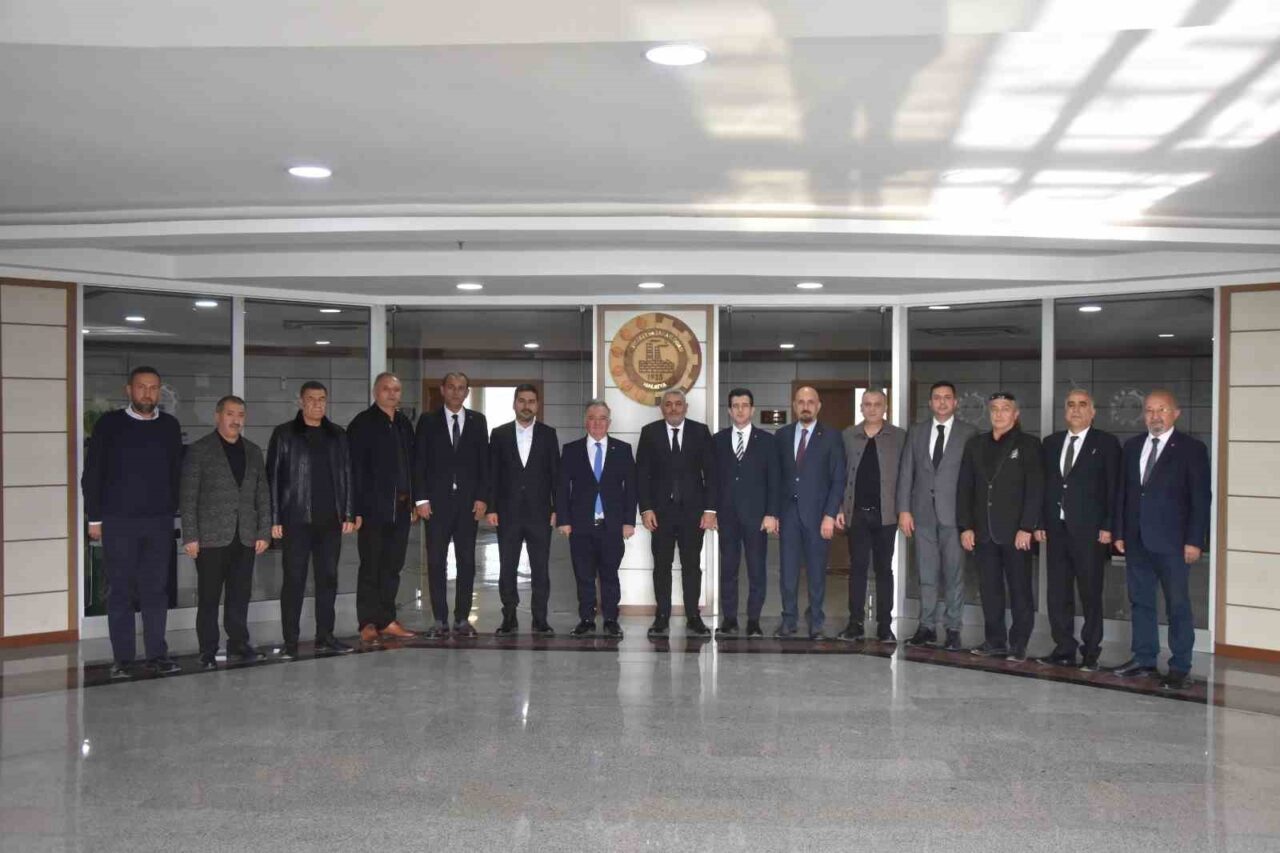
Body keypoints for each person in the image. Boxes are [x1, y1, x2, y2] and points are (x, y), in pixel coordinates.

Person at [81, 366, 184, 679]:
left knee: (156, 591)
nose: (147, 393)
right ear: (129, 390)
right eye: (141, 387)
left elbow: (177, 472)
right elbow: (93, 473)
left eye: (153, 388)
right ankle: (123, 659)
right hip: (118, 521)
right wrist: (94, 518)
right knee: (121, 591)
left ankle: (157, 655)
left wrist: (173, 511)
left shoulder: (169, 426)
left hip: (158, 522)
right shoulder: (109, 424)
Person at [1112, 389, 1211, 691]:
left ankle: (1180, 666)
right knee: (1140, 601)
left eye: (1162, 410)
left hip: (1174, 543)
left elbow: (1200, 498)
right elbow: (1123, 493)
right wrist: (1119, 532)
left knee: (1177, 604)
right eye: (1150, 410)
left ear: (1175, 413)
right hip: (1136, 539)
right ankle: (1144, 659)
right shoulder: (1132, 447)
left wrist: (1195, 540)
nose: (1155, 416)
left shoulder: (1191, 449)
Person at [180, 395, 271, 669]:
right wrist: (190, 536)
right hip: (210, 537)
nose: (236, 420)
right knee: (209, 597)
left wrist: (263, 532)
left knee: (240, 594)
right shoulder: (200, 450)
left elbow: (262, 494)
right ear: (218, 416)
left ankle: (238, 643)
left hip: (245, 536)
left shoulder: (253, 451)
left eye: (240, 414)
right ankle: (207, 650)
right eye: (230, 414)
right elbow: (188, 496)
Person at [267, 381, 357, 659]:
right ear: (301, 402)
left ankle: (325, 636)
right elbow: (273, 479)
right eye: (311, 399)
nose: (317, 404)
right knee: (294, 580)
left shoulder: (337, 435)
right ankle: (290, 641)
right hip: (295, 520)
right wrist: (274, 518)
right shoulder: (284, 434)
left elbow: (348, 475)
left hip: (329, 521)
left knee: (328, 579)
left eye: (322, 399)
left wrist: (348, 513)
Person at [1033, 389, 1120, 671]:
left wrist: (1109, 526)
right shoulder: (1051, 443)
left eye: (1083, 405)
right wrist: (1040, 522)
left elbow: (1113, 488)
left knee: (1090, 593)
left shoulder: (1105, 443)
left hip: (1090, 532)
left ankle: (1091, 651)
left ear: (1093, 412)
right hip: (1056, 529)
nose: (1076, 409)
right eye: (1071, 405)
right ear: (1065, 411)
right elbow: (1043, 486)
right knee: (1057, 593)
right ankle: (1064, 648)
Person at [957, 392, 1044, 661]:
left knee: (1019, 590)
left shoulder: (1029, 445)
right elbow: (965, 488)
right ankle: (994, 640)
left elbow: (1035, 489)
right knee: (989, 590)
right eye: (994, 408)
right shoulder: (975, 445)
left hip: (1016, 533)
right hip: (983, 532)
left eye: (1005, 408)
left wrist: (1027, 527)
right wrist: (966, 526)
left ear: (1015, 414)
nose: (999, 413)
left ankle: (1019, 643)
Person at [897, 380, 978, 651]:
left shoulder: (969, 433)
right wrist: (904, 509)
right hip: (922, 515)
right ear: (930, 403)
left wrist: (970, 519)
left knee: (954, 575)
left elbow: (972, 479)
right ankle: (927, 626)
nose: (942, 402)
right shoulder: (917, 432)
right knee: (926, 573)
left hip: (954, 516)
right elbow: (906, 472)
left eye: (947, 397)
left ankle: (953, 628)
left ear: (955, 402)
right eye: (937, 397)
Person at [413, 372, 489, 638]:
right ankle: (439, 619)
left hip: (468, 505)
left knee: (466, 562)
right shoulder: (428, 421)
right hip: (436, 505)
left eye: (461, 388)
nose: (457, 392)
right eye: (452, 387)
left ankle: (462, 619)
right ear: (443, 390)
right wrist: (421, 499)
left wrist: (482, 497)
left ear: (467, 392)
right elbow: (419, 461)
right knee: (436, 562)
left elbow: (484, 463)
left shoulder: (478, 421)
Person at [636, 388, 717, 638]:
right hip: (660, 514)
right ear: (662, 408)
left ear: (686, 407)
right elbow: (642, 475)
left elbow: (712, 474)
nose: (673, 408)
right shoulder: (650, 433)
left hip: (693, 514)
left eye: (678, 404)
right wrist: (646, 508)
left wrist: (710, 510)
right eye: (669, 404)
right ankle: (662, 616)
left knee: (692, 566)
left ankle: (693, 616)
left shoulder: (700, 432)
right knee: (661, 566)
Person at [556, 400, 637, 639]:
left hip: (612, 526)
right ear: (585, 421)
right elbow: (562, 488)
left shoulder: (623, 449)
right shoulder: (571, 450)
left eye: (602, 418)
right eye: (592, 418)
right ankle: (586, 619)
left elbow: (631, 489)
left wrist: (629, 521)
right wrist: (564, 520)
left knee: (610, 574)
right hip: (580, 525)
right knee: (584, 575)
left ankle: (611, 620)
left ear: (609, 422)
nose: (597, 423)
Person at [347, 372, 417, 647]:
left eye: (396, 390)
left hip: (401, 509)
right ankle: (367, 623)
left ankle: (387, 619)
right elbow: (354, 469)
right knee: (371, 566)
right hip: (373, 510)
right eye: (386, 389)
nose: (392, 394)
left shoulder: (403, 423)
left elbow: (411, 466)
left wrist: (413, 502)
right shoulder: (362, 424)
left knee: (392, 567)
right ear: (375, 392)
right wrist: (355, 509)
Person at [774, 386, 847, 640]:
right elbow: (776, 477)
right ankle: (789, 619)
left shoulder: (832, 437)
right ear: (795, 405)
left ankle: (816, 620)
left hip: (818, 516)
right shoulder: (782, 435)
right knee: (788, 572)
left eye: (810, 402)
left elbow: (838, 479)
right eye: (801, 402)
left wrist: (830, 514)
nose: (806, 406)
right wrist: (774, 513)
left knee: (816, 571)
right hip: (788, 515)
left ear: (818, 406)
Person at [487, 384, 560, 636]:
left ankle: (540, 619)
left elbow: (556, 475)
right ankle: (509, 616)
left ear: (537, 405)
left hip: (541, 514)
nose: (526, 406)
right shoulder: (499, 434)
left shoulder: (548, 434)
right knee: (507, 566)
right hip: (507, 513)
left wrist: (557, 508)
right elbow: (493, 473)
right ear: (514, 404)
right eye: (522, 401)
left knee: (540, 568)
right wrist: (492, 507)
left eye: (531, 401)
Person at [835, 389, 905, 643]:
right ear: (861, 407)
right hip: (856, 514)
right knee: (858, 569)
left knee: (884, 569)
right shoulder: (848, 435)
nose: (872, 408)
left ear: (885, 407)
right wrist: (839, 508)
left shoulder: (899, 437)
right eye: (867, 404)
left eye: (877, 404)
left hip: (886, 515)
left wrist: (904, 509)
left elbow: (907, 476)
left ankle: (885, 625)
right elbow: (839, 474)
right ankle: (855, 623)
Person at [711, 388, 779, 638]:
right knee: (728, 569)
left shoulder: (767, 441)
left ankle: (753, 621)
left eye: (744, 405)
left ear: (752, 409)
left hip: (757, 517)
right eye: (735, 406)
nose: (740, 410)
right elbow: (712, 481)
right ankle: (729, 619)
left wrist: (771, 513)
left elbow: (774, 480)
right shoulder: (717, 440)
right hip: (727, 516)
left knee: (756, 570)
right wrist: (712, 511)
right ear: (729, 411)